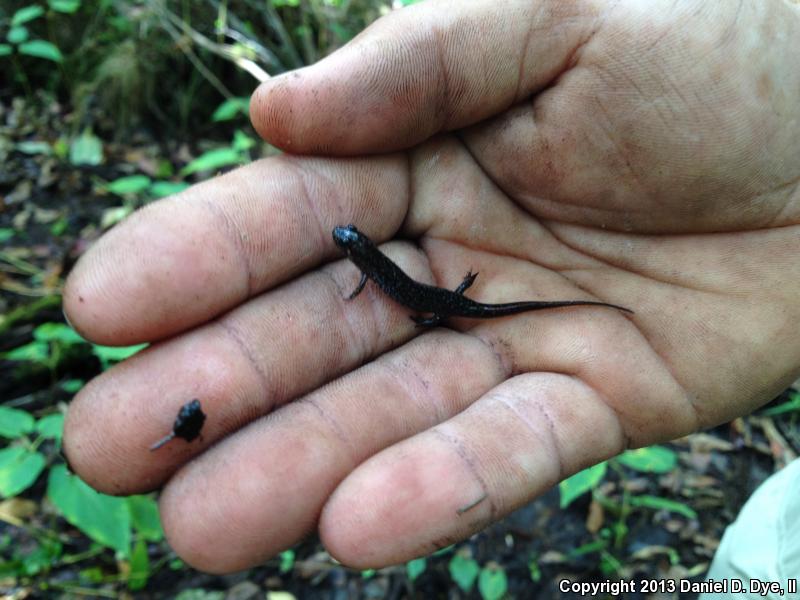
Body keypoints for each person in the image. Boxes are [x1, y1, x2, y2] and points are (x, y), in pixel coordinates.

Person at [62, 0, 800, 581]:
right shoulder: (375, 264)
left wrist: (433, 301)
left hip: (436, 305)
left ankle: (467, 306)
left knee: (462, 308)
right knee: (457, 305)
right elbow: (379, 284)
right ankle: (466, 305)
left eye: (350, 242)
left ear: (360, 247)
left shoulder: (376, 268)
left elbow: (383, 288)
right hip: (435, 301)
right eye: (349, 244)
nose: (347, 245)